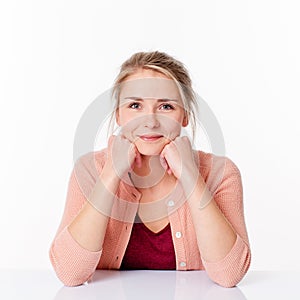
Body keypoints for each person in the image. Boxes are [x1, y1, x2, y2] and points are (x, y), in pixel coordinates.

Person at [49, 51, 251, 288]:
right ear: (118, 115)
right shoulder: (89, 170)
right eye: (135, 105)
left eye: (166, 106)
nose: (151, 121)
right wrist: (111, 174)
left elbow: (229, 276)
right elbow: (69, 274)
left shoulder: (222, 173)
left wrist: (190, 176)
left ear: (184, 116)